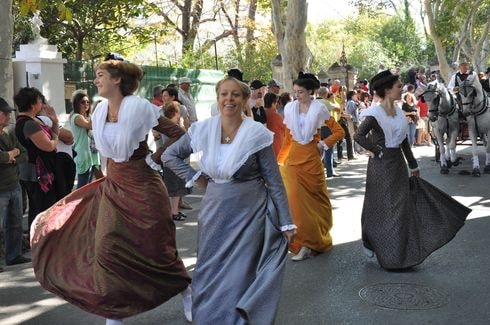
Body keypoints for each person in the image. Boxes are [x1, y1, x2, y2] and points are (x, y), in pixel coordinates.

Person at [29, 58, 192, 324]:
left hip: (144, 186)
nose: (96, 79)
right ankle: (113, 314)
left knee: (156, 249)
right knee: (106, 248)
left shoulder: (140, 108)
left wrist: (157, 157)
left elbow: (180, 134)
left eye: (100, 74)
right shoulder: (100, 110)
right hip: (114, 186)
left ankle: (186, 289)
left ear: (117, 79)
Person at [162, 76, 296, 324]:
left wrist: (286, 222)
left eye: (235, 94)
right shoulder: (202, 130)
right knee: (208, 272)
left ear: (245, 100)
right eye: (224, 94)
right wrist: (194, 177)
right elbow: (170, 155)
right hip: (214, 213)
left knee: (240, 276)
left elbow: (274, 182)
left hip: (250, 215)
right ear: (218, 97)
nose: (229, 99)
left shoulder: (257, 134)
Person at [354, 70, 471, 270]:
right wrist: (377, 150)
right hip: (380, 167)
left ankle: (397, 255)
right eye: (398, 86)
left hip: (398, 165)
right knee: (381, 207)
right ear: (388, 90)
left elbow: (403, 143)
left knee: (400, 209)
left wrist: (413, 164)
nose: (402, 88)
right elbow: (358, 135)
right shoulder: (373, 113)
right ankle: (370, 239)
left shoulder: (400, 112)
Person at [277, 72, 334, 261]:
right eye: (295, 92)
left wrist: (323, 144)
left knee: (319, 203)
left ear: (311, 91)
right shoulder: (290, 109)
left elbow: (339, 131)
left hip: (312, 162)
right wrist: (280, 160)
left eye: (300, 92)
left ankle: (315, 240)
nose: (296, 95)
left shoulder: (320, 109)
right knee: (295, 204)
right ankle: (302, 244)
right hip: (292, 163)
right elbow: (287, 138)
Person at [14, 87, 59, 233]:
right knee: (40, 207)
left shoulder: (30, 121)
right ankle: (40, 240)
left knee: (38, 206)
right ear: (33, 104)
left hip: (32, 170)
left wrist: (54, 123)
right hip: (36, 173)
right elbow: (48, 146)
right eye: (40, 101)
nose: (42, 104)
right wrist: (56, 138)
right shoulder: (29, 124)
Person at [0, 97, 31, 266]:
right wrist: (12, 154)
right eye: (4, 113)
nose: (8, 116)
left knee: (15, 223)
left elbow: (24, 154)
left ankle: (13, 256)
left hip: (14, 184)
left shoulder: (9, 133)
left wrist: (11, 158)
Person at [159, 101, 190, 220]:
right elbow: (184, 138)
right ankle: (174, 212)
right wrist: (182, 125)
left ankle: (173, 210)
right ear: (176, 112)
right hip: (175, 160)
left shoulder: (165, 125)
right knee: (176, 188)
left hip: (168, 159)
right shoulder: (175, 127)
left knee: (172, 186)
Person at [69, 90, 102, 188]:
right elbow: (90, 126)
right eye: (83, 102)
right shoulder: (76, 116)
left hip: (91, 154)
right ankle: (77, 203)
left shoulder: (87, 116)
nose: (86, 104)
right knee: (83, 187)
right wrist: (96, 109)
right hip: (83, 154)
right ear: (77, 103)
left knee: (93, 183)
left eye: (87, 102)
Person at [264, 92, 285, 157]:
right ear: (273, 103)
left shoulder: (262, 114)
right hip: (276, 147)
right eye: (276, 103)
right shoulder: (276, 116)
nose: (277, 105)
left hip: (266, 149)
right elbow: (286, 130)